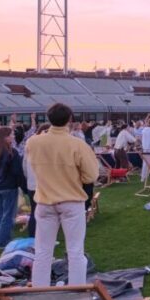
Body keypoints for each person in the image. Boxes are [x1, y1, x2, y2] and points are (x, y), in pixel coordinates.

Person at [26, 103, 100, 287]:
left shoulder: (33, 142)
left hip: (44, 201)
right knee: (75, 251)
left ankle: (39, 292)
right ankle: (76, 292)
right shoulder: (77, 144)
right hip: (71, 201)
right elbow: (91, 175)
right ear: (70, 120)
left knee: (42, 252)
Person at [0, 126, 24, 250]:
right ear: (5, 137)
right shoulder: (11, 152)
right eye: (12, 135)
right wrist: (23, 186)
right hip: (8, 185)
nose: (13, 137)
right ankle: (3, 242)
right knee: (8, 215)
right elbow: (17, 171)